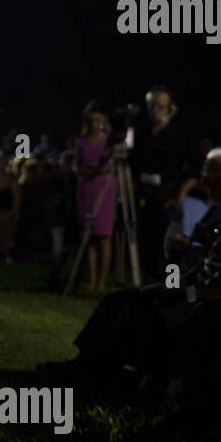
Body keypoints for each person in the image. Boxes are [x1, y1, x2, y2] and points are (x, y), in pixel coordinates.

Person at [130, 86, 200, 281]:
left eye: (161, 106)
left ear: (170, 107)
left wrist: (180, 194)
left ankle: (171, 285)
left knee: (169, 246)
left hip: (167, 196)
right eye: (153, 106)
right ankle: (147, 283)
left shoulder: (179, 134)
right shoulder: (141, 131)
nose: (157, 111)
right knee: (146, 243)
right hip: (143, 194)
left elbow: (195, 167)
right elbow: (132, 160)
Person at [74, 101, 116, 296]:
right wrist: (85, 170)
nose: (95, 124)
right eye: (92, 120)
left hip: (104, 189)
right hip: (87, 188)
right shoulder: (80, 141)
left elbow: (114, 164)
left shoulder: (108, 142)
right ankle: (92, 282)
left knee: (104, 237)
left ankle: (101, 281)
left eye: (99, 120)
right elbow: (76, 165)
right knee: (89, 238)